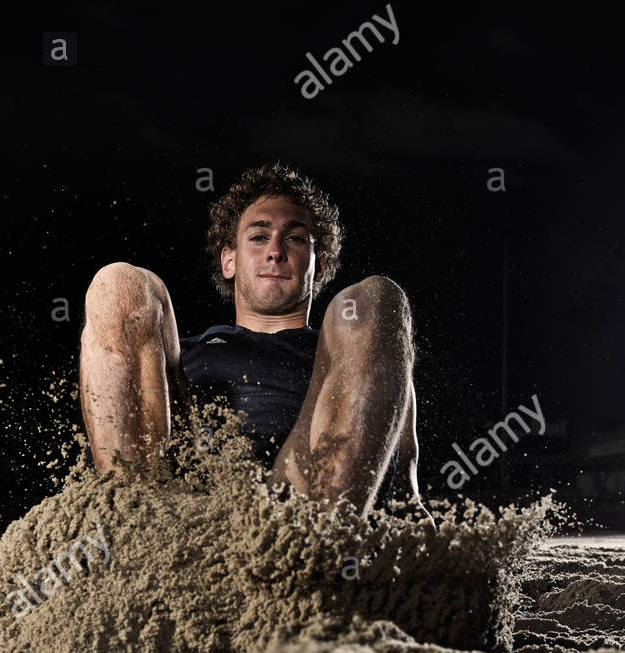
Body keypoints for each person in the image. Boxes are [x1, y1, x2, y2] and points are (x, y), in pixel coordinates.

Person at [78, 161, 431, 520]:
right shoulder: (180, 355)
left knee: (378, 297)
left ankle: (329, 543)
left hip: (298, 505)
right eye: (259, 237)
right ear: (229, 261)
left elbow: (404, 473)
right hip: (186, 499)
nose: (275, 251)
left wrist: (416, 515)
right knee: (118, 283)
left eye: (294, 238)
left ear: (318, 267)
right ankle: (132, 523)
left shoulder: (356, 348)